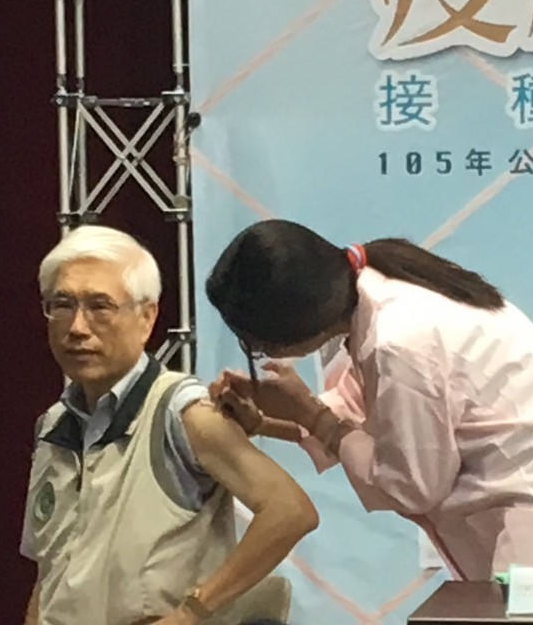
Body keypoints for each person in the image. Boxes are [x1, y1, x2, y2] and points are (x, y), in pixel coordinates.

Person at [203, 219, 533, 581]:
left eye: (256, 345)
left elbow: (412, 483)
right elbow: (363, 418)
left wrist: (309, 411)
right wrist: (268, 420)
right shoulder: (380, 288)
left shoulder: (399, 339)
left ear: (294, 326)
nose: (261, 355)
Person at [21, 225, 319, 625]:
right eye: (62, 304)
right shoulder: (53, 426)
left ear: (147, 318)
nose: (77, 327)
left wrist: (190, 613)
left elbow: (290, 511)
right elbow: (49, 570)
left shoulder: (183, 412)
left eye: (100, 306)